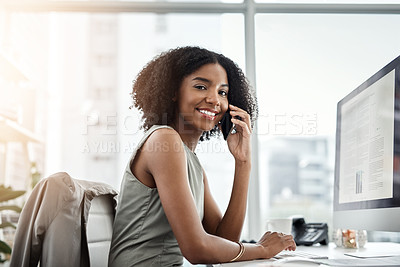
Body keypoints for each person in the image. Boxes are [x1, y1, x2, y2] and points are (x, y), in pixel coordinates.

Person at [108, 46, 296, 266]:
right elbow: (197, 250)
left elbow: (224, 241)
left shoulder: (190, 161)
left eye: (222, 92)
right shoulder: (164, 140)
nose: (214, 100)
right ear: (173, 91)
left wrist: (243, 162)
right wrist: (261, 249)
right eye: (200, 87)